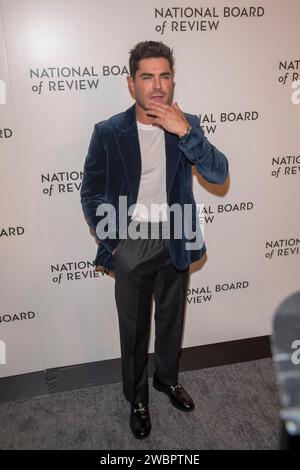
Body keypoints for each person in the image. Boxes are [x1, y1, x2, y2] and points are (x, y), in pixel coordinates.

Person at [81, 40, 228, 439]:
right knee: (133, 329)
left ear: (172, 81)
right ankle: (138, 397)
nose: (157, 85)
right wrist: (116, 245)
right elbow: (91, 193)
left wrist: (184, 132)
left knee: (170, 320)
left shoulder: (187, 123)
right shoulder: (109, 131)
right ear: (132, 84)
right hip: (131, 242)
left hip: (176, 235)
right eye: (148, 76)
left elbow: (218, 174)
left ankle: (167, 379)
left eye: (164, 76)